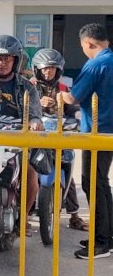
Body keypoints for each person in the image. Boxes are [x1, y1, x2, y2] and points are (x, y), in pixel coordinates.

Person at [60, 23, 113, 259]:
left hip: (97, 133)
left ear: (89, 43)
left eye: (83, 47)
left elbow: (73, 97)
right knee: (102, 184)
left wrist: (59, 94)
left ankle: (100, 243)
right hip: (108, 134)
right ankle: (108, 236)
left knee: (92, 184)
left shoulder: (96, 64)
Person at [0, 34, 42, 234]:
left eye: (7, 59)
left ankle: (23, 218)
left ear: (16, 61)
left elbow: (35, 113)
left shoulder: (26, 86)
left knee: (31, 176)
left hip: (17, 140)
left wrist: (35, 122)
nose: (1, 63)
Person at [31, 48, 87, 231]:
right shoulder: (29, 86)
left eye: (52, 69)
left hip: (60, 135)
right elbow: (20, 106)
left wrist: (76, 115)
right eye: (45, 68)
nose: (48, 72)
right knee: (26, 171)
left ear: (59, 70)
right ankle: (22, 214)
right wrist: (37, 102)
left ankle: (74, 215)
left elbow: (75, 108)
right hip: (35, 137)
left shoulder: (64, 88)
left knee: (68, 171)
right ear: (37, 69)